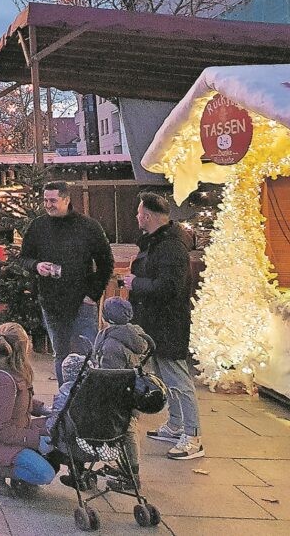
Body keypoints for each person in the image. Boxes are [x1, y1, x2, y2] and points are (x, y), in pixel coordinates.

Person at [120, 191, 203, 460]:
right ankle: (176, 424)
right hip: (155, 323)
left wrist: (136, 284)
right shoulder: (158, 242)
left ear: (147, 216)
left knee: (178, 379)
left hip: (168, 324)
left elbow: (169, 287)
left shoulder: (170, 247)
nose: (136, 216)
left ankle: (192, 436)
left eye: (138, 212)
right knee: (168, 378)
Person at [19, 181, 114, 384]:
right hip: (51, 302)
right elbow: (24, 257)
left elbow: (106, 263)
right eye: (45, 200)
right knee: (60, 353)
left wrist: (93, 294)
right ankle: (64, 396)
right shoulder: (38, 226)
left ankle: (87, 398)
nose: (48, 205)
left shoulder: (88, 227)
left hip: (82, 301)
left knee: (88, 353)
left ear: (66, 200)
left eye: (53, 200)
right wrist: (36, 265)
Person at [0, 322, 54, 496]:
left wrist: (43, 408)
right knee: (44, 474)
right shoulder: (2, 381)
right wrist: (35, 440)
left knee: (57, 430)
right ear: (22, 349)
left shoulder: (3, 368)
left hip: (15, 429)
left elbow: (15, 402)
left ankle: (19, 474)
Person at [92, 296, 149, 489]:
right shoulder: (136, 336)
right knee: (129, 429)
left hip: (115, 398)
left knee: (124, 431)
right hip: (132, 395)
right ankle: (129, 468)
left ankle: (131, 475)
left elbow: (108, 375)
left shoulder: (110, 344)